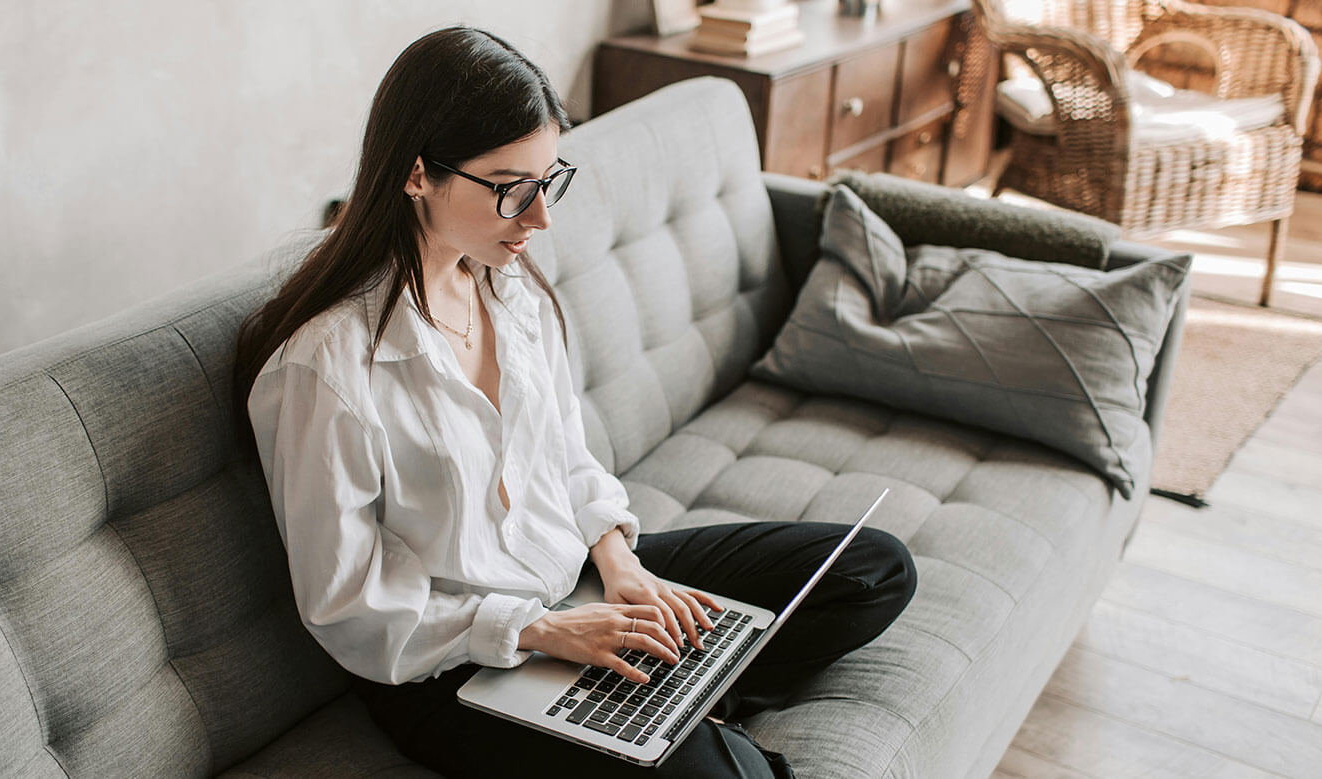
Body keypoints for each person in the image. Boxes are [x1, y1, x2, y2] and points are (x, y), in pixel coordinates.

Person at [234, 25, 916, 778]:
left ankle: (688, 695)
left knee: (872, 569)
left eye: (548, 180)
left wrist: (621, 562)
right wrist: (542, 631)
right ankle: (691, 721)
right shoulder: (327, 368)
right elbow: (350, 607)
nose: (540, 218)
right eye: (511, 189)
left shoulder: (507, 286)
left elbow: (566, 456)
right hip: (453, 667)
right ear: (417, 174)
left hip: (578, 586)